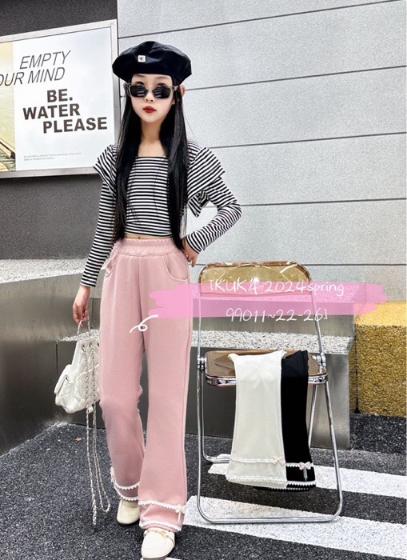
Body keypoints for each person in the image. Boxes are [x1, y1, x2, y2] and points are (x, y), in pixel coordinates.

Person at [72, 40, 242, 559]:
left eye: (160, 90)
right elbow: (106, 226)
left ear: (177, 95)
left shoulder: (192, 158)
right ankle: (130, 487)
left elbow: (230, 208)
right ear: (129, 95)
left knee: (167, 398)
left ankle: (163, 512)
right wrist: (86, 282)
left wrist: (192, 242)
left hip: (167, 272)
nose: (149, 97)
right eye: (139, 89)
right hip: (122, 271)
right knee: (116, 396)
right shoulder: (114, 159)